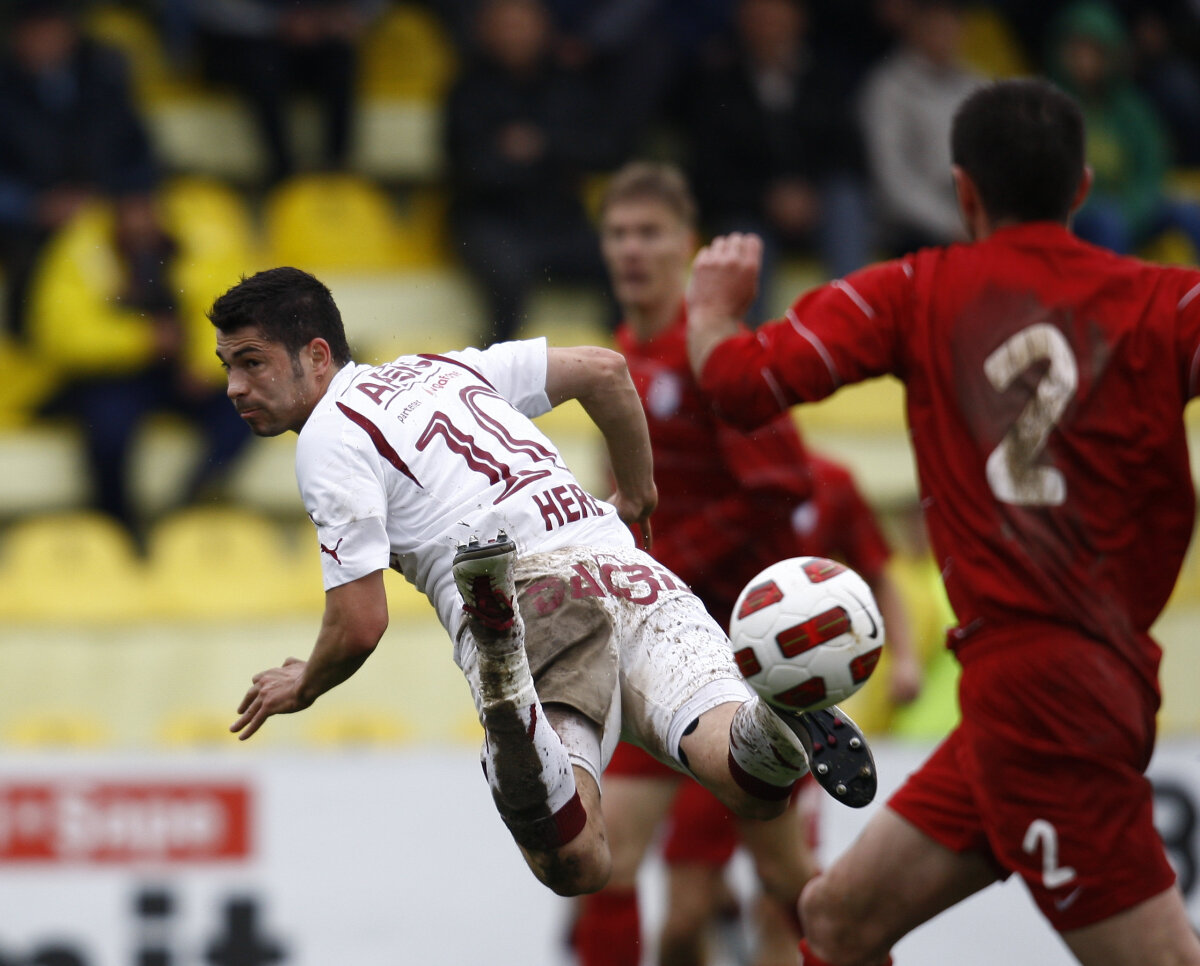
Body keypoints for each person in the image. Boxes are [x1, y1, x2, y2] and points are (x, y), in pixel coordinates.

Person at [684, 76, 1200, 966]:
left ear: (963, 191)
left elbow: (738, 383)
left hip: (1042, 701)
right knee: (838, 920)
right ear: (1082, 188)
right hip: (1060, 685)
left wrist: (712, 312)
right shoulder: (1167, 303)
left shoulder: (915, 291)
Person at [207, 265, 878, 900]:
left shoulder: (326, 439)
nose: (235, 386)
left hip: (531, 601)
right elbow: (604, 371)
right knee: (749, 781)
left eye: (252, 362)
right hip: (628, 568)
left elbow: (359, 623)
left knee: (576, 859)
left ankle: (505, 675)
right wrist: (639, 494)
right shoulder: (443, 367)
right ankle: (780, 703)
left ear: (318, 356)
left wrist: (306, 682)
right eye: (228, 367)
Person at [569, 162, 915, 966]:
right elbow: (622, 490)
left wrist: (671, 560)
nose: (632, 249)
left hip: (736, 659)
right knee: (602, 853)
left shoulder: (706, 354)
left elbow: (784, 481)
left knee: (787, 878)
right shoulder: (618, 352)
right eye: (618, 233)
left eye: (649, 232)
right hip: (659, 644)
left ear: (686, 246)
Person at [28, 193, 252, 541]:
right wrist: (144, 339)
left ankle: (191, 501)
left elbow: (228, 315)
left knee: (247, 405)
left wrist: (202, 365)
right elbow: (61, 335)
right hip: (112, 374)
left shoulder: (197, 241)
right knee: (108, 427)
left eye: (147, 208)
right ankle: (116, 526)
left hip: (176, 372)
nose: (140, 220)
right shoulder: (82, 247)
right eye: (130, 209)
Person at [685, 0, 873, 314]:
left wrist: (806, 193)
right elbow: (709, 172)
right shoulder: (717, 82)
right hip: (749, 210)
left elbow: (851, 155)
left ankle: (852, 321)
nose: (767, 22)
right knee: (745, 243)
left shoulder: (825, 78)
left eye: (776, 12)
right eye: (758, 14)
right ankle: (748, 347)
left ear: (798, 19)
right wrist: (766, 198)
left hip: (818, 204)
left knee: (846, 201)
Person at [442, 0, 611, 346]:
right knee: (506, 271)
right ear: (484, 31)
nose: (514, 34)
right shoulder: (466, 89)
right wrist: (548, 163)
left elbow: (601, 150)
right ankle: (500, 364)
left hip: (558, 219)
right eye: (505, 25)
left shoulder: (567, 84)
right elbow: (470, 172)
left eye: (522, 24)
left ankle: (622, 352)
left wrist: (540, 148)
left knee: (619, 258)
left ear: (543, 28)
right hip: (490, 219)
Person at [0, 0, 158, 335]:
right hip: (29, 227)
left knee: (156, 248)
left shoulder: (103, 77)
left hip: (105, 211)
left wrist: (134, 196)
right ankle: (44, 347)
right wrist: (33, 206)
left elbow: (136, 150)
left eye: (52, 28)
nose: (44, 39)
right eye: (34, 30)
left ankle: (142, 345)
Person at [1046, 0, 1200, 258]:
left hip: (1130, 207)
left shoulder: (1130, 108)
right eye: (1077, 50)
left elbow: (1151, 167)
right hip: (1077, 214)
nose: (1084, 61)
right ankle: (1116, 297)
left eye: (1093, 51)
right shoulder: (1048, 106)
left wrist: (1132, 209)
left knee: (1187, 211)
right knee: (1107, 221)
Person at [188, 0, 386, 186]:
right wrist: (278, 22)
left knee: (340, 57)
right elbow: (209, 8)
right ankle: (283, 174)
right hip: (245, 42)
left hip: (313, 36)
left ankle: (336, 170)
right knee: (263, 67)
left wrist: (339, 19)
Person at [858, 0, 984, 254]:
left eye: (950, 25)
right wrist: (951, 224)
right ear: (914, 28)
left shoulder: (976, 85)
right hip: (909, 228)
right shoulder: (887, 88)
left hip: (973, 219)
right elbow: (891, 179)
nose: (943, 33)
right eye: (934, 25)